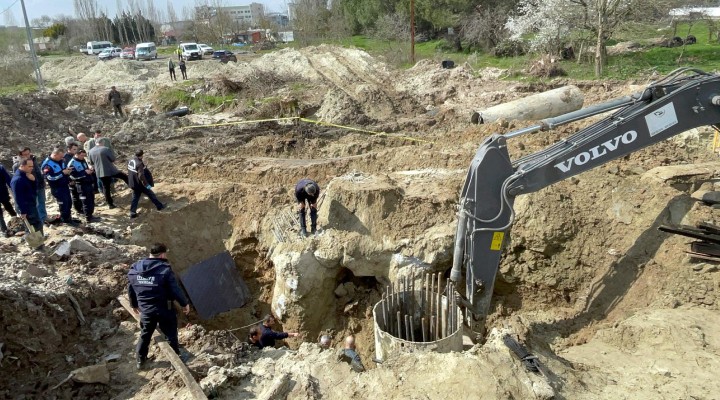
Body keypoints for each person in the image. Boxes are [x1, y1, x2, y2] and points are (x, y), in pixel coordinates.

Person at [128, 243, 190, 370]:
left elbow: (131, 287)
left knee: (145, 334)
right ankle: (176, 359)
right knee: (171, 334)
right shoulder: (165, 270)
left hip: (146, 310)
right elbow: (175, 290)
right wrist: (184, 304)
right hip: (164, 309)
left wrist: (133, 304)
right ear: (162, 254)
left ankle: (140, 359)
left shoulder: (135, 269)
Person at [41, 147, 79, 225]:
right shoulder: (47, 164)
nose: (62, 158)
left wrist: (68, 176)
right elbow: (50, 177)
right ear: (55, 155)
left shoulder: (60, 161)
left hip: (64, 185)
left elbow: (63, 170)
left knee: (68, 203)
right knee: (63, 204)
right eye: (60, 156)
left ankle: (68, 218)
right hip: (57, 188)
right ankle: (65, 220)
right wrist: (62, 173)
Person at [88, 140, 128, 209]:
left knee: (106, 187)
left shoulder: (90, 151)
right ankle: (135, 188)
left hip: (100, 172)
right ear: (102, 142)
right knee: (124, 176)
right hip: (110, 170)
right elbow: (112, 159)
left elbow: (91, 162)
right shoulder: (105, 149)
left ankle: (110, 204)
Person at [13, 147, 47, 223]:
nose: (27, 156)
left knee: (42, 202)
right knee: (35, 204)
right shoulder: (18, 165)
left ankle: (44, 218)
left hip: (39, 184)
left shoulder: (33, 160)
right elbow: (18, 178)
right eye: (25, 155)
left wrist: (42, 181)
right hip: (30, 188)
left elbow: (38, 171)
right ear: (21, 155)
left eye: (28, 154)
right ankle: (39, 221)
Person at [127, 149, 165, 218]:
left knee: (135, 198)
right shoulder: (139, 164)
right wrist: (147, 184)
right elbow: (141, 176)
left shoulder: (130, 160)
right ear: (141, 155)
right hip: (140, 184)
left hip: (133, 183)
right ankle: (160, 206)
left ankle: (132, 213)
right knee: (151, 194)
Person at [10, 158, 43, 236]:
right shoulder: (17, 180)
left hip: (31, 204)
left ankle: (39, 243)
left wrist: (33, 181)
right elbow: (18, 197)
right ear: (22, 166)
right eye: (29, 166)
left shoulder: (27, 176)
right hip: (26, 207)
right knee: (32, 227)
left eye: (32, 166)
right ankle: (37, 245)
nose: (32, 168)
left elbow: (34, 191)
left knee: (36, 224)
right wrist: (23, 211)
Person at [69, 149, 100, 223]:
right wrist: (84, 173)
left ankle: (91, 215)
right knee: (85, 201)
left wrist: (89, 169)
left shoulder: (82, 160)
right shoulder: (72, 163)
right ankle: (88, 217)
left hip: (88, 183)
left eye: (84, 155)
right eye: (81, 155)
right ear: (76, 154)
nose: (83, 157)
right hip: (81, 184)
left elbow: (85, 168)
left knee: (91, 200)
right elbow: (72, 176)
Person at [64, 143, 84, 214]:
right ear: (69, 149)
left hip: (79, 178)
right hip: (72, 179)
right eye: (74, 149)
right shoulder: (65, 158)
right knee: (75, 194)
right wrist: (70, 179)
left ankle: (81, 207)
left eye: (76, 149)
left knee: (80, 193)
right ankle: (78, 209)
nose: (76, 151)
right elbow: (66, 170)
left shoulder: (76, 156)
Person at [0, 164, 17, 237]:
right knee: (8, 206)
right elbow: (8, 179)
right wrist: (12, 188)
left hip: (2, 192)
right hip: (2, 192)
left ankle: (4, 229)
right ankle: (16, 219)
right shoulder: (0, 167)